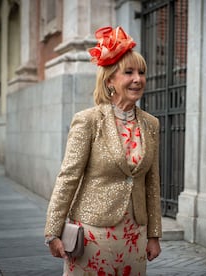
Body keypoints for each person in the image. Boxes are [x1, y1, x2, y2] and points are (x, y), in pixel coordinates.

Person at [44, 26, 162, 275]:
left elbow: (152, 182)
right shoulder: (88, 120)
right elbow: (68, 177)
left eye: (141, 72)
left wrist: (154, 235)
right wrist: (53, 231)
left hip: (134, 236)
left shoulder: (151, 124)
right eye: (128, 72)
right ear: (110, 80)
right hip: (93, 234)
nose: (137, 79)